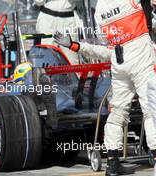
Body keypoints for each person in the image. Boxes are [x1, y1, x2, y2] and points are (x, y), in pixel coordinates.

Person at [54, 0, 156, 175]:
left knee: (117, 114)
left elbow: (108, 50)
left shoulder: (99, 10)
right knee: (151, 110)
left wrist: (75, 46)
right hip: (141, 56)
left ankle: (113, 163)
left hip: (119, 61)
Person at [35, 0, 82, 64]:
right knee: (47, 59)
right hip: (47, 18)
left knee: (72, 60)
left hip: (68, 18)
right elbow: (39, 2)